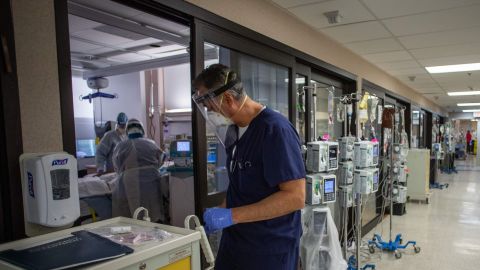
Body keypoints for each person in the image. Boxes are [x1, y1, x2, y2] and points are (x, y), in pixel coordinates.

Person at [192, 64, 306, 270]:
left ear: (227, 99)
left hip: (269, 248)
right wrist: (222, 210)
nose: (209, 114)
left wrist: (231, 216)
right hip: (237, 242)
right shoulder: (235, 132)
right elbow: (241, 180)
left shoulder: (275, 129)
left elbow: (295, 197)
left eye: (210, 108)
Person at [111, 118, 166, 222]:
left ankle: (136, 231)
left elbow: (117, 166)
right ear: (142, 130)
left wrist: (126, 171)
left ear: (127, 131)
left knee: (133, 208)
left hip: (129, 180)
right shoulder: (151, 143)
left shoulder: (121, 146)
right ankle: (155, 229)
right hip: (151, 179)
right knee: (153, 206)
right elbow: (161, 160)